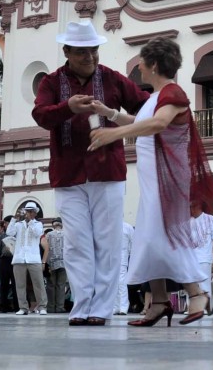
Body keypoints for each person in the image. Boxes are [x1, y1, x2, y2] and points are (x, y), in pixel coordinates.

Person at [88, 36, 213, 327]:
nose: (141, 71)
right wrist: (109, 114)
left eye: (143, 66)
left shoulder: (173, 93)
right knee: (149, 237)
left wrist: (112, 135)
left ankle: (196, 293)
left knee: (165, 235)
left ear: (155, 65)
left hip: (167, 179)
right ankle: (159, 301)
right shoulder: (157, 98)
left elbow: (158, 124)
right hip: (152, 178)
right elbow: (142, 120)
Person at [33, 19, 151, 327]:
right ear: (67, 51)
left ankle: (102, 308)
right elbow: (41, 116)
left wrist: (117, 116)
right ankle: (81, 306)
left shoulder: (112, 79)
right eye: (83, 52)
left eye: (94, 51)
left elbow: (145, 103)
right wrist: (68, 107)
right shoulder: (51, 82)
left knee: (109, 242)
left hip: (108, 172)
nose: (90, 57)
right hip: (68, 174)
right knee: (76, 242)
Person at [9, 203, 48, 315]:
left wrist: (30, 221)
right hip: (19, 258)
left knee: (38, 284)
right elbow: (9, 233)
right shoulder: (18, 224)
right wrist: (14, 219)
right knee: (20, 284)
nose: (29, 213)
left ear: (35, 212)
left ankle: (42, 307)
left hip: (33, 258)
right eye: (27, 211)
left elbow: (37, 233)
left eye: (31, 211)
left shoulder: (38, 224)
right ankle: (23, 307)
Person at [190, 203, 213, 314]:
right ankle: (193, 307)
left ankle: (205, 307)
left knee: (204, 283)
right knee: (193, 284)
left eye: (192, 206)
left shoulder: (210, 219)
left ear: (198, 206)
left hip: (204, 257)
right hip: (191, 258)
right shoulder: (189, 221)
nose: (191, 209)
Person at [45, 218, 67, 313]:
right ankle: (60, 307)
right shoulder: (67, 234)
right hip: (64, 262)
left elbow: (45, 248)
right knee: (61, 286)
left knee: (50, 285)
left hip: (51, 262)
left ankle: (50, 307)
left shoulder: (48, 235)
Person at [115, 221, 133, 315]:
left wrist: (129, 254)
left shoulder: (127, 227)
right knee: (113, 283)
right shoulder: (109, 226)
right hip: (111, 257)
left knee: (121, 282)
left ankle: (123, 307)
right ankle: (115, 307)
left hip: (122, 257)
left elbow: (133, 241)